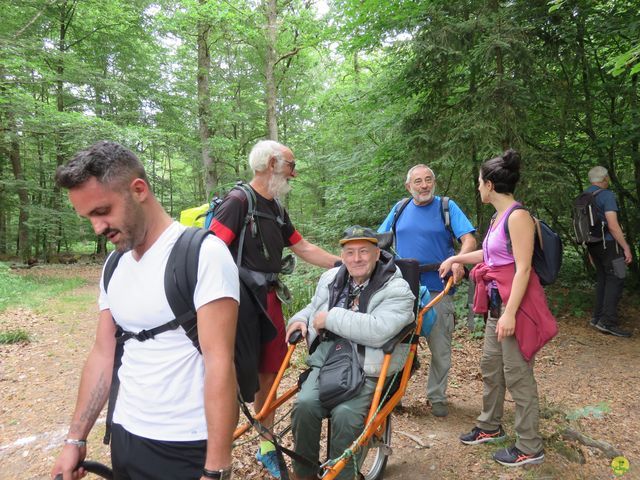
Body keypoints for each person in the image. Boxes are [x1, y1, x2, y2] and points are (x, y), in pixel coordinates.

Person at [50, 141, 239, 480]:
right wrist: (75, 438)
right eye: (88, 217)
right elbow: (103, 353)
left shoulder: (203, 255)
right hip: (124, 434)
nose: (97, 227)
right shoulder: (114, 264)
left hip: (185, 444)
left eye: (102, 211)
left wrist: (216, 469)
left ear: (138, 190)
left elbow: (220, 363)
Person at [209, 139, 340, 478]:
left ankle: (266, 446)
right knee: (234, 376)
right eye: (290, 166)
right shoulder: (238, 202)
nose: (294, 173)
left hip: (269, 300)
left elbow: (302, 247)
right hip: (238, 304)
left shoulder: (277, 209)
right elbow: (208, 253)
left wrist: (344, 264)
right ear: (271, 164)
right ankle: (214, 453)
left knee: (272, 371)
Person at [440, 149, 557, 467]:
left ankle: (530, 446)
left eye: (479, 182)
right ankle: (490, 426)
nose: (478, 188)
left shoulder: (518, 217)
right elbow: (490, 257)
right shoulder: (498, 218)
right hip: (496, 306)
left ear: (490, 185)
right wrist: (455, 258)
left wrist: (509, 314)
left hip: (514, 308)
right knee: (492, 369)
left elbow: (522, 269)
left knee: (518, 376)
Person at [286, 226, 415, 480]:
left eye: (364, 251)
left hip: (369, 363)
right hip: (329, 359)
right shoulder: (332, 278)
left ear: (377, 254)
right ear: (342, 256)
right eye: (350, 252)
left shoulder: (397, 288)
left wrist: (330, 318)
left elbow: (379, 329)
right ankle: (304, 474)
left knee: (346, 416)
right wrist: (299, 320)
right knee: (304, 406)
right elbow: (314, 308)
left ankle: (342, 476)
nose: (357, 258)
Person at [378, 164, 476, 417]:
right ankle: (392, 395)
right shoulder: (399, 209)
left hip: (438, 288)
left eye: (428, 180)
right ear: (408, 186)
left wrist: (458, 260)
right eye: (418, 181)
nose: (424, 185)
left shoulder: (446, 206)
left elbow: (469, 240)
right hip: (402, 287)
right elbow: (378, 241)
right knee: (397, 343)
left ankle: (437, 396)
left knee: (440, 346)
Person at [584, 166, 633, 337]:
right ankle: (607, 322)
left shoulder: (584, 196)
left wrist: (589, 251)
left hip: (593, 245)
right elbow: (613, 225)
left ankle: (597, 317)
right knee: (618, 276)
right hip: (610, 245)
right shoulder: (607, 195)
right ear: (605, 179)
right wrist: (626, 247)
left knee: (604, 278)